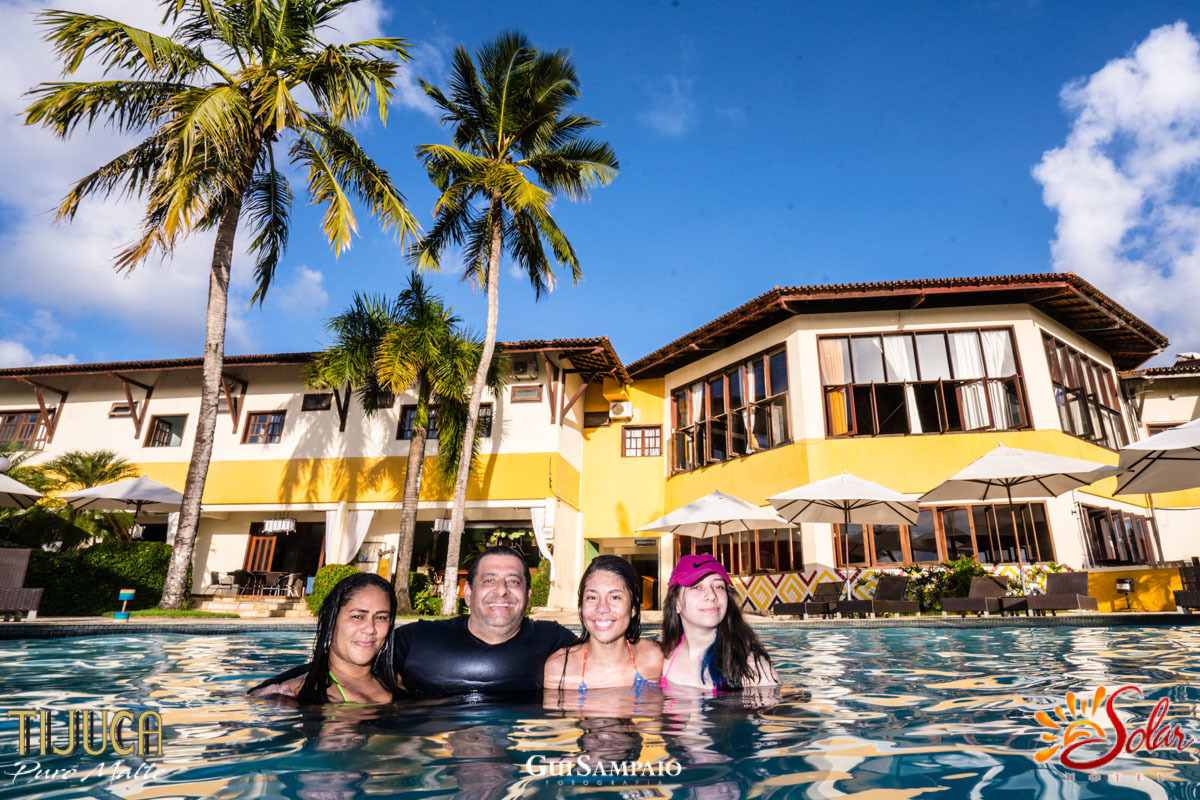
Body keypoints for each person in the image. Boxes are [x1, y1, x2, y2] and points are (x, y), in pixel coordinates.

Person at [252, 545, 576, 697]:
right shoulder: (420, 638)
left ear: (529, 594)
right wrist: (289, 685)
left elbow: (609, 660)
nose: (502, 591)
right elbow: (351, 659)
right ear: (467, 591)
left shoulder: (551, 639)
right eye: (489, 580)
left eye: (514, 581)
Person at [265, 571, 403, 704]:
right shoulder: (295, 692)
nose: (370, 629)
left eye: (380, 617)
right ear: (330, 622)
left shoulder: (397, 682)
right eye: (357, 617)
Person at [544, 555, 663, 691]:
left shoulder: (655, 658)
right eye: (592, 597)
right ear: (581, 606)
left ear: (633, 608)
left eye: (614, 597)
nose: (602, 608)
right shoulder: (559, 668)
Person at [659, 554, 779, 690]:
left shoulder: (753, 671)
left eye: (718, 586)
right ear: (677, 604)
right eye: (696, 587)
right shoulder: (663, 654)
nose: (711, 595)